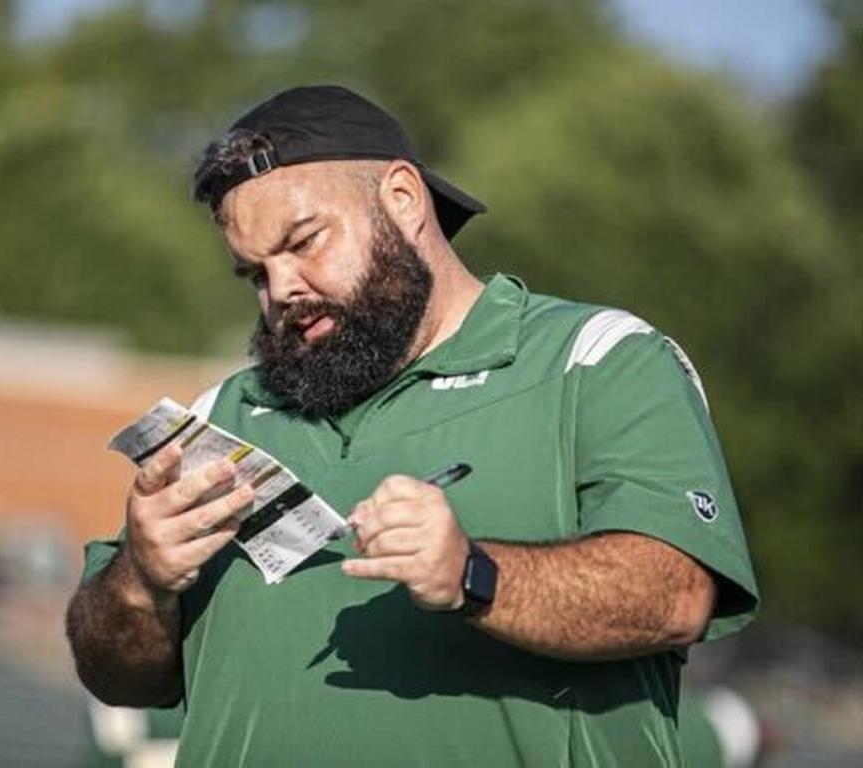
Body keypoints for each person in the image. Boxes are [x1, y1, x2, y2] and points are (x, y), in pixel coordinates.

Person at [66, 85, 759, 766]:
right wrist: (141, 580)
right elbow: (119, 679)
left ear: (402, 200)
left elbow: (674, 594)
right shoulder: (224, 415)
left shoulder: (598, 359)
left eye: (304, 241)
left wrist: (472, 573)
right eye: (254, 273)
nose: (281, 290)